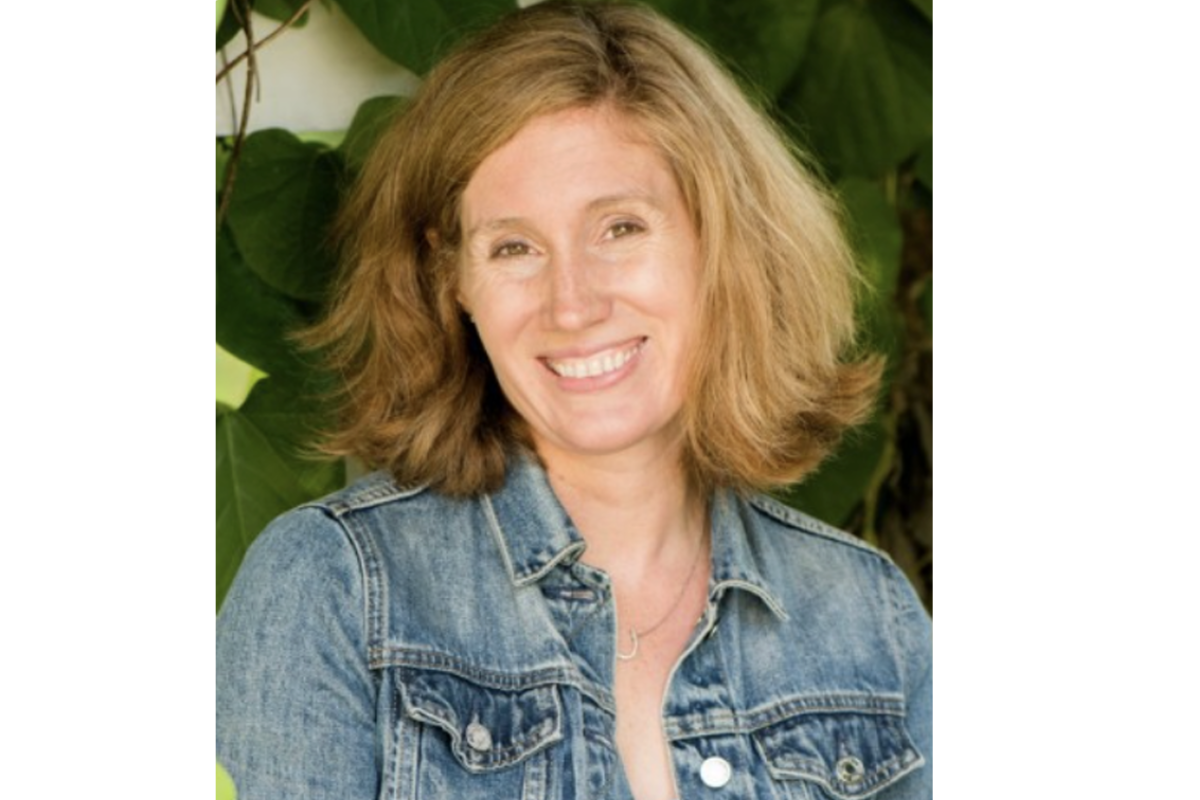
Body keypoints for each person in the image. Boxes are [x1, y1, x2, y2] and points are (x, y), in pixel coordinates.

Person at [215, 2, 932, 798]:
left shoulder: (869, 615)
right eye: (514, 248)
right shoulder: (335, 588)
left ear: (722, 241)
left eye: (620, 228)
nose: (572, 305)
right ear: (452, 280)